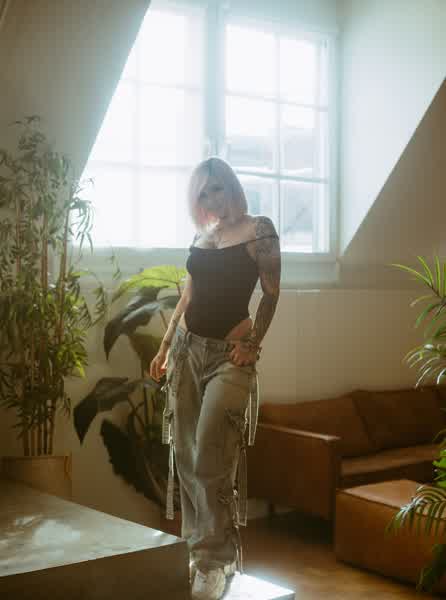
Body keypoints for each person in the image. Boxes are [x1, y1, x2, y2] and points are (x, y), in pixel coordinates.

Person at [149, 156, 281, 600]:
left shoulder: (259, 230)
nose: (211, 199)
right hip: (187, 351)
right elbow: (189, 295)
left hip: (230, 358)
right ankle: (201, 554)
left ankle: (215, 560)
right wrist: (165, 346)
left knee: (210, 451)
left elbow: (271, 292)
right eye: (203, 193)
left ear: (232, 186)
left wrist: (254, 343)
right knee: (186, 456)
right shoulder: (202, 237)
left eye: (217, 188)